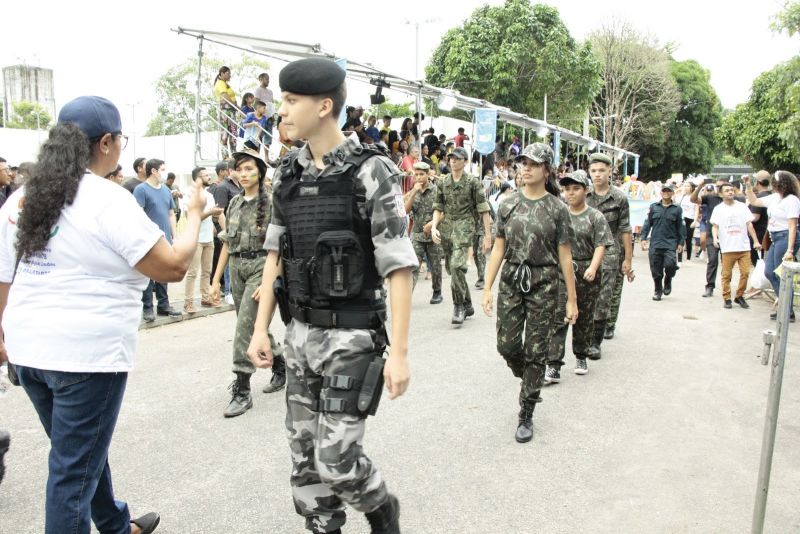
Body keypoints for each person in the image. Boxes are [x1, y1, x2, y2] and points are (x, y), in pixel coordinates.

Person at [0, 95, 206, 534]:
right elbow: (171, 266)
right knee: (71, 473)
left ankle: (114, 524)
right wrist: (192, 216)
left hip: (27, 349)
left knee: (76, 450)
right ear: (107, 142)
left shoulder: (23, 197)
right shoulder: (105, 198)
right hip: (84, 354)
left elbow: (3, 275)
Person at [246, 57, 416, 533]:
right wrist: (261, 329)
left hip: (352, 338)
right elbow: (276, 253)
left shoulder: (372, 170)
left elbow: (398, 265)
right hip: (298, 334)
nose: (280, 110)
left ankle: (382, 508)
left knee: (336, 460)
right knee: (304, 466)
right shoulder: (287, 175)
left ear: (324, 106)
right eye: (282, 99)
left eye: (290, 100)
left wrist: (399, 355)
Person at [481, 143, 577, 443]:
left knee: (537, 350)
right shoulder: (508, 204)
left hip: (544, 281)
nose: (525, 168)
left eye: (533, 164)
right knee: (506, 345)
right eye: (522, 163)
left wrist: (572, 299)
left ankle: (527, 409)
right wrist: (487, 287)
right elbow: (499, 248)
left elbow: (564, 256)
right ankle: (530, 378)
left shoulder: (558, 209)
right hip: (512, 279)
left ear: (546, 170)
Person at [210, 149, 286, 417]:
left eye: (248, 168)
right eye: (238, 169)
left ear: (260, 171)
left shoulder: (274, 203)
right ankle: (279, 363)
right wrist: (216, 280)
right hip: (237, 268)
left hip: (262, 267)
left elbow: (282, 248)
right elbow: (228, 244)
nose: (243, 174)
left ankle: (242, 390)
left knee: (244, 328)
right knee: (251, 324)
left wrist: (270, 282)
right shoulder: (234, 203)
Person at [546, 171, 612, 381]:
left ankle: (581, 354)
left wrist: (593, 267)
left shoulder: (595, 216)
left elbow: (601, 243)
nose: (570, 193)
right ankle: (554, 363)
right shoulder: (560, 214)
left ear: (586, 190)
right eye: (567, 189)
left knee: (583, 317)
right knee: (559, 317)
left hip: (586, 273)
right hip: (562, 272)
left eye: (576, 189)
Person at [431, 147, 492, 325]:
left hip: (465, 226)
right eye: (451, 158)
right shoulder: (443, 182)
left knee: (457, 266)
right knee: (452, 269)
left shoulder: (473, 182)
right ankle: (467, 303)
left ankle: (458, 306)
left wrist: (488, 236)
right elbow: (438, 206)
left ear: (465, 162)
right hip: (447, 228)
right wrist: (434, 226)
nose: (453, 161)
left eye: (457, 159)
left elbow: (484, 209)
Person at [586, 152, 633, 351]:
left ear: (610, 171)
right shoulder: (583, 194)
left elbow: (625, 229)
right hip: (586, 249)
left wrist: (628, 259)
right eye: (594, 170)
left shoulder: (619, 198)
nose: (597, 175)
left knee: (605, 295)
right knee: (587, 295)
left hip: (610, 252)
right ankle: (587, 332)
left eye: (602, 171)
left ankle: (597, 340)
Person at [746, 171, 800, 321]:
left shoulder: (792, 200)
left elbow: (793, 226)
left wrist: (790, 250)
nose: (771, 185)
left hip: (786, 237)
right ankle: (785, 307)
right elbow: (755, 202)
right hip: (775, 237)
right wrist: (748, 185)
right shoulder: (775, 198)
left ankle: (787, 310)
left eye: (774, 182)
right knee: (770, 272)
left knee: (780, 274)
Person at [134, 159, 182, 321]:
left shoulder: (166, 190)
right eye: (162, 169)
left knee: (163, 273)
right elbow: (138, 215)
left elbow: (170, 214)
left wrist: (174, 235)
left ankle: (163, 305)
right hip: (148, 240)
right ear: (153, 171)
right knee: (147, 275)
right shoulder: (141, 190)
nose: (164, 173)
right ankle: (147, 308)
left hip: (165, 238)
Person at [710, 183, 761, 309]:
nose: (730, 192)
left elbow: (749, 225)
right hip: (727, 248)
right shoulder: (718, 209)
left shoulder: (742, 207)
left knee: (745, 273)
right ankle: (727, 298)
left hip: (744, 247)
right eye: (727, 190)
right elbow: (715, 226)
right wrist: (715, 238)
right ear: (721, 194)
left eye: (732, 190)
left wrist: (755, 241)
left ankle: (739, 296)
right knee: (726, 275)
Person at [690, 178, 744, 297]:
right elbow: (693, 199)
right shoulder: (710, 198)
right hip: (712, 234)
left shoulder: (736, 200)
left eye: (726, 187)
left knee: (727, 264)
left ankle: (726, 287)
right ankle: (710, 286)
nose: (721, 188)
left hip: (729, 236)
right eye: (719, 186)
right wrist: (699, 187)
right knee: (713, 260)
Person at [184, 167, 223, 314]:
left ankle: (206, 298)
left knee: (207, 271)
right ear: (198, 178)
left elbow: (209, 214)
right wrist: (210, 212)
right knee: (192, 272)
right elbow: (192, 217)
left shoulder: (209, 195)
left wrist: (214, 221)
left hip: (208, 237)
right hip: (195, 238)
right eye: (206, 175)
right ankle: (188, 302)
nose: (209, 177)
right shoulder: (190, 194)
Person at [404, 161, 443, 304]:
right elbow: (406, 210)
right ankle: (408, 296)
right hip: (417, 234)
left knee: (436, 265)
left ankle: (437, 291)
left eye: (422, 174)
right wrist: (413, 192)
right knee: (413, 265)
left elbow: (444, 211)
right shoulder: (413, 191)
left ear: (428, 175)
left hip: (433, 233)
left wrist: (433, 224)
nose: (419, 177)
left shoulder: (437, 191)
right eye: (416, 175)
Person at [640, 183, 686, 300]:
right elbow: (647, 223)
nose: (666, 193)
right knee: (656, 269)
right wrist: (643, 238)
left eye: (668, 191)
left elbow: (681, 227)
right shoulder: (654, 207)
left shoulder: (677, 209)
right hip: (655, 243)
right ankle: (657, 290)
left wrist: (681, 243)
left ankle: (668, 279)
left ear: (672, 193)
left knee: (671, 265)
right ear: (661, 193)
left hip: (670, 243)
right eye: (664, 191)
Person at [749, 170, 772, 267]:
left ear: (757, 182)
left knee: (758, 264)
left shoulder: (759, 198)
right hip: (769, 233)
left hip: (758, 235)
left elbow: (755, 217)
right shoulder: (772, 196)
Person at [214, 66, 237, 157]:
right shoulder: (220, 83)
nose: (229, 75)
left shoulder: (225, 83)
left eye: (230, 74)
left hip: (230, 111)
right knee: (225, 133)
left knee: (233, 132)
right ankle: (225, 156)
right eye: (228, 73)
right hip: (225, 110)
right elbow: (224, 95)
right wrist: (234, 105)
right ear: (222, 74)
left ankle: (234, 154)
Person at [677, 182, 699, 261]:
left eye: (688, 186)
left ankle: (688, 257)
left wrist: (695, 221)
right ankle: (679, 258)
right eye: (685, 186)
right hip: (682, 219)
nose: (686, 187)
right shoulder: (682, 197)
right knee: (680, 238)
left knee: (688, 239)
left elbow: (696, 210)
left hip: (690, 219)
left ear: (691, 187)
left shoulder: (694, 197)